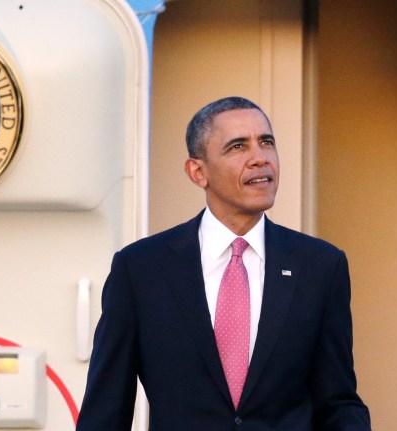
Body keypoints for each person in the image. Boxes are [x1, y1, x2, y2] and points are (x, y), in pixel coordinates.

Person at [76, 97, 371, 430]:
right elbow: (105, 408)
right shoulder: (141, 269)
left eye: (267, 142)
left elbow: (338, 402)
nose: (260, 158)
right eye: (237, 147)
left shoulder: (320, 266)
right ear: (198, 172)